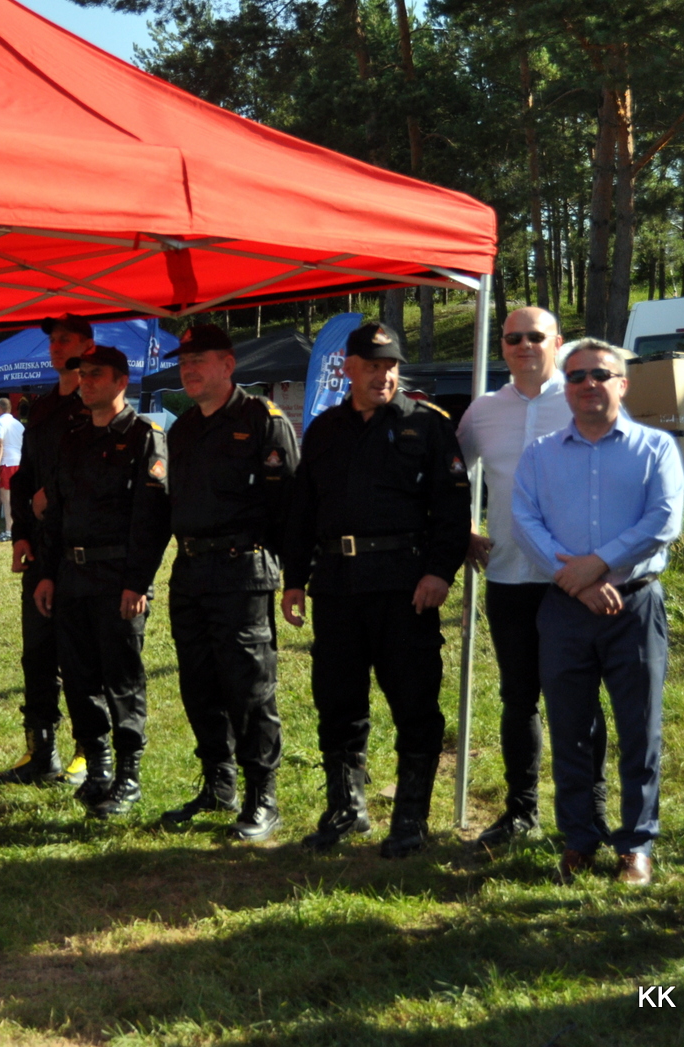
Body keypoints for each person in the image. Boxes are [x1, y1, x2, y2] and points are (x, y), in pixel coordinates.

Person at [281, 321, 471, 856]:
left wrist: (439, 572)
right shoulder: (323, 431)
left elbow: (453, 509)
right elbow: (303, 512)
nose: (383, 376)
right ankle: (346, 807)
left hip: (404, 587)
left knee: (414, 703)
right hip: (337, 587)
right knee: (337, 703)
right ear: (348, 368)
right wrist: (294, 579)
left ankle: (411, 816)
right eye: (372, 366)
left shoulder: (427, 426)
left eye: (391, 366)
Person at [512, 339, 684, 887]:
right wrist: (578, 583)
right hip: (565, 611)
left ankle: (636, 845)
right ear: (566, 388)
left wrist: (599, 567)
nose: (589, 384)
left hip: (633, 604)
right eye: (578, 376)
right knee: (571, 728)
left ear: (622, 383)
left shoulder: (656, 446)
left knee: (640, 728)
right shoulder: (539, 453)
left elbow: (664, 520)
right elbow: (524, 520)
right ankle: (580, 839)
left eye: (601, 374)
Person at [457, 307, 610, 848]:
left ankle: (591, 810)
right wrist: (463, 529)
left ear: (558, 342)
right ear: (501, 345)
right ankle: (521, 810)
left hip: (572, 579)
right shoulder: (482, 412)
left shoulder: (581, 400)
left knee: (579, 699)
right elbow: (453, 477)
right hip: (508, 576)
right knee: (517, 697)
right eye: (513, 338)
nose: (524, 345)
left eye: (535, 337)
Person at [160, 324, 297, 841]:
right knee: (199, 682)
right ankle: (219, 784)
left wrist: (295, 580)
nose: (189, 370)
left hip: (244, 570)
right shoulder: (183, 429)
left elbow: (289, 508)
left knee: (249, 686)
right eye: (183, 363)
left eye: (199, 360)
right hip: (191, 570)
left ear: (228, 364)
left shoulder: (263, 420)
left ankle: (263, 795)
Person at [33, 344, 170, 817]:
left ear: (120, 382)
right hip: (72, 575)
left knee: (122, 679)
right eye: (82, 374)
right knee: (78, 678)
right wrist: (48, 573)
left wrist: (138, 584)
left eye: (95, 375)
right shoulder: (72, 438)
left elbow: (151, 519)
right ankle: (98, 770)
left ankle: (129, 776)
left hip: (116, 579)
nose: (86, 381)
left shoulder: (142, 436)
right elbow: (57, 515)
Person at [0, 314, 96, 786]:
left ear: (87, 345)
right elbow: (23, 476)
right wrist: (18, 535)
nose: (56, 347)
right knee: (36, 653)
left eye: (66, 339)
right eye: (53, 341)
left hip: (80, 546)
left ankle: (87, 751)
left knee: (79, 654)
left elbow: (96, 474)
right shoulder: (42, 408)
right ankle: (41, 750)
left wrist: (51, 497)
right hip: (39, 546)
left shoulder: (95, 402)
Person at [0, 396, 23, 541]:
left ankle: (9, 530)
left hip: (7, 462)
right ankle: (19, 528)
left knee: (6, 498)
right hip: (19, 461)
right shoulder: (18, 424)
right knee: (18, 498)